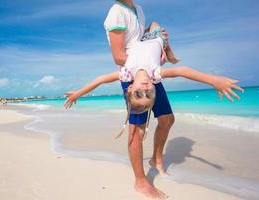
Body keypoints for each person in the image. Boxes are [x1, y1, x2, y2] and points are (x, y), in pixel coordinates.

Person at [64, 21, 243, 200]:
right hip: (157, 39)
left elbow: (101, 79)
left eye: (139, 92)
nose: (145, 87)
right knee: (161, 34)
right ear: (153, 89)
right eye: (148, 93)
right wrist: (214, 81)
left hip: (144, 38)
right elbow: (182, 71)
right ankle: (146, 174)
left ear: (130, 87)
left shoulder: (126, 74)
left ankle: (155, 159)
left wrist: (77, 94)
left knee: (167, 118)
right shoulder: (155, 75)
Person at [103, 0, 177, 198]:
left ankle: (156, 159)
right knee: (137, 130)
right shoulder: (116, 12)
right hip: (132, 76)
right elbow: (119, 57)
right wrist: (153, 59)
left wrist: (156, 38)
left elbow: (137, 38)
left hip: (147, 71)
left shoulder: (139, 10)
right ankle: (140, 181)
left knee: (167, 118)